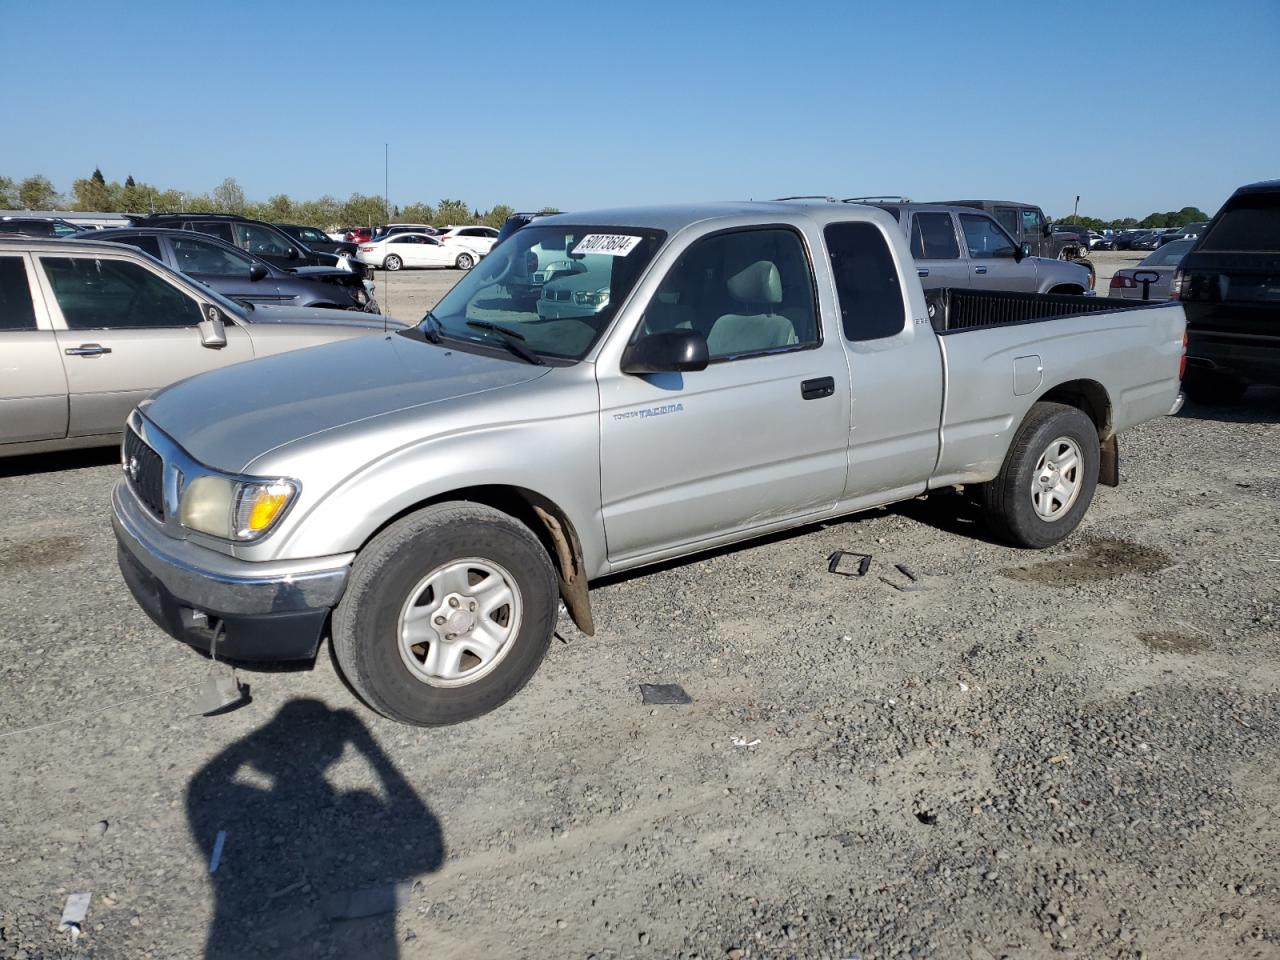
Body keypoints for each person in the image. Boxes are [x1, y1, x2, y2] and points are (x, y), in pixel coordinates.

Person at [187, 698, 444, 959]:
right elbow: (431, 851)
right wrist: (367, 745)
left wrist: (264, 735)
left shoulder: (254, 804)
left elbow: (202, 787)